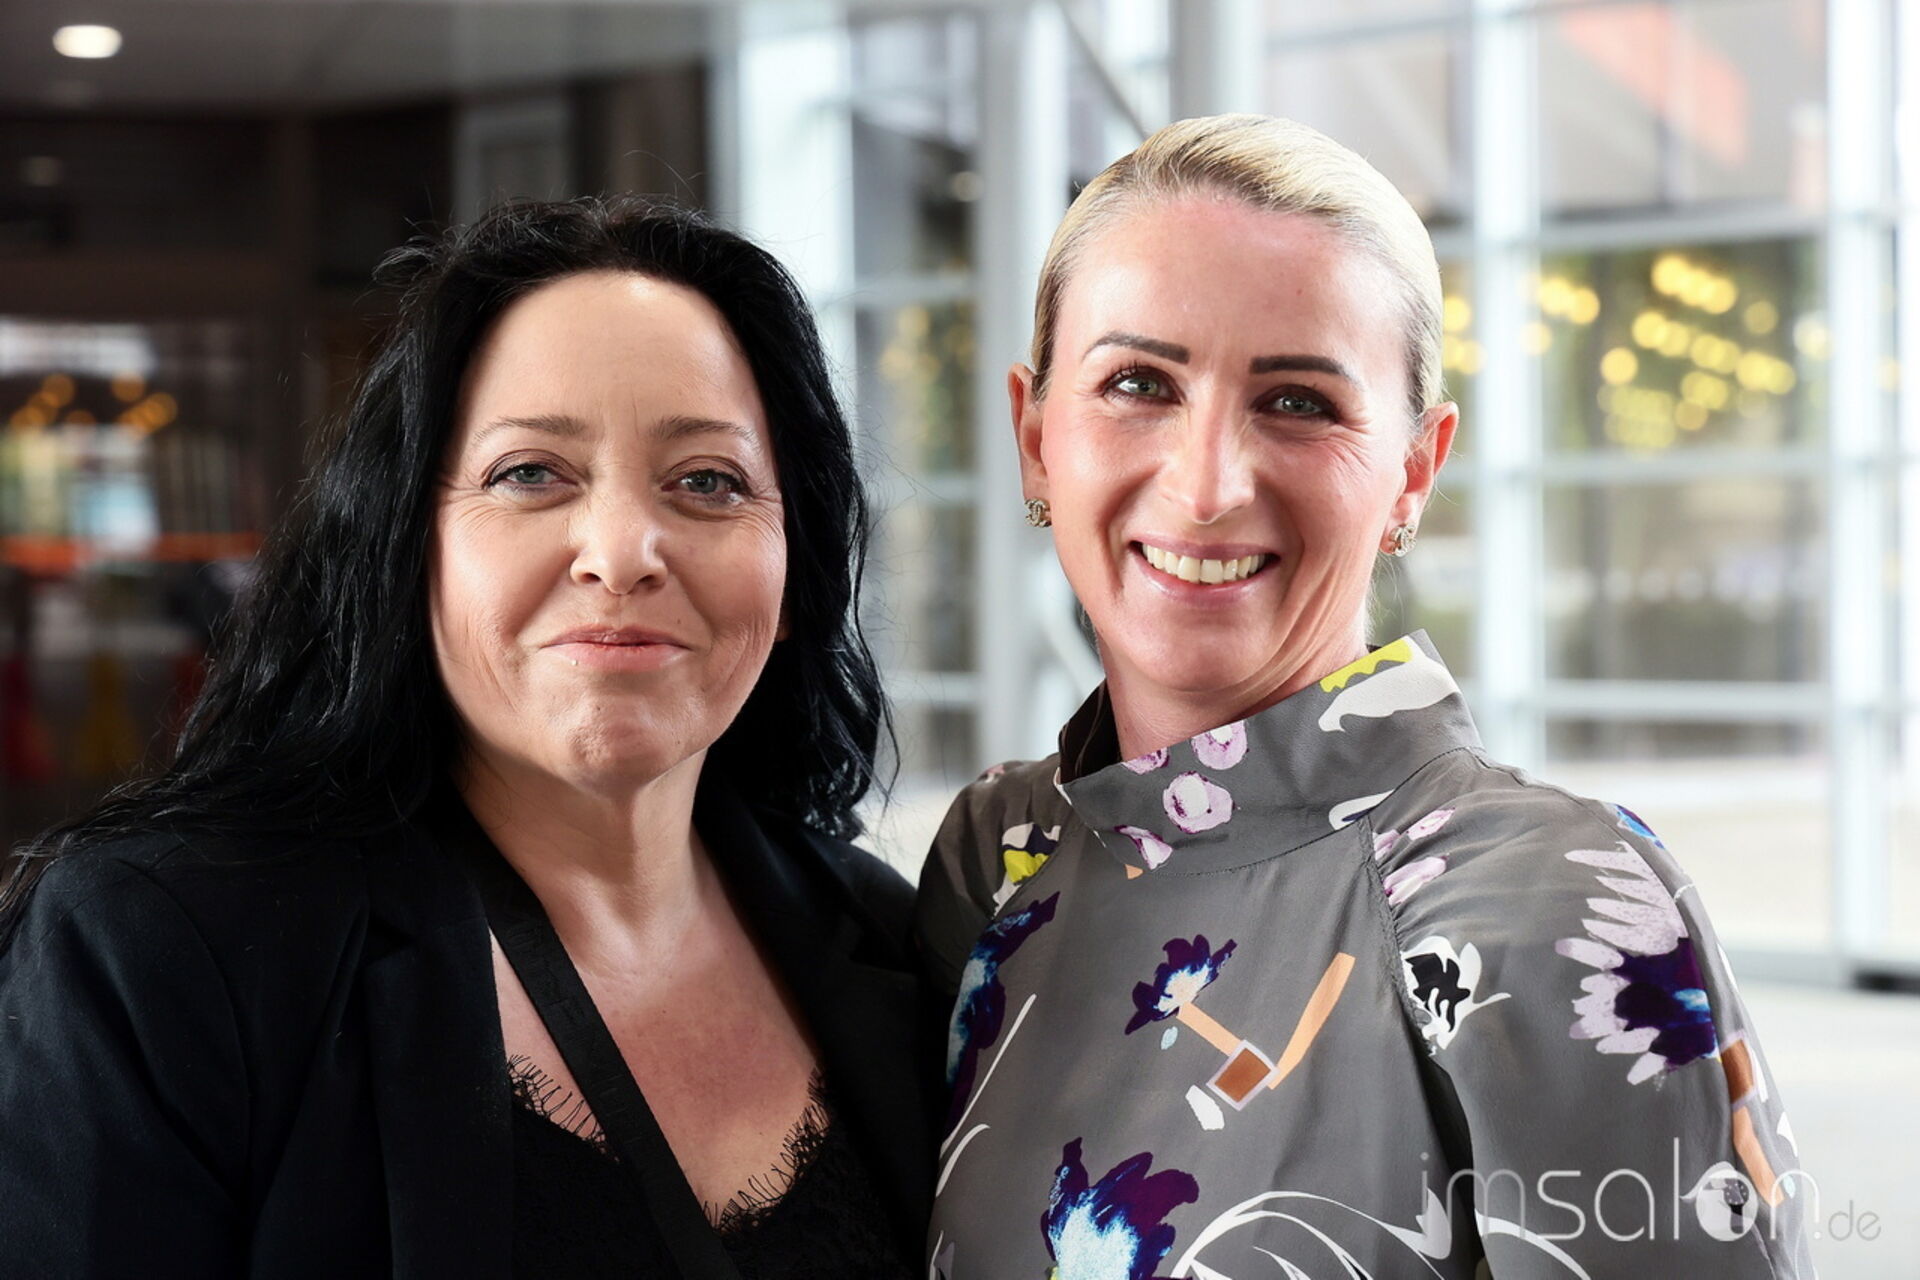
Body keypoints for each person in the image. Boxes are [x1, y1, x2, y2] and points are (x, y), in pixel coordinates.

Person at [916, 115, 1813, 1279]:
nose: (1205, 485)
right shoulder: (997, 857)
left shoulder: (1561, 907)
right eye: (1138, 382)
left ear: (1414, 469)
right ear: (1037, 436)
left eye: (1297, 401)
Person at [0, 196, 930, 1279]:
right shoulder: (158, 956)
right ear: (408, 539)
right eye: (529, 473)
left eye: (707, 482)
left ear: (795, 557)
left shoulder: (897, 945)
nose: (620, 552)